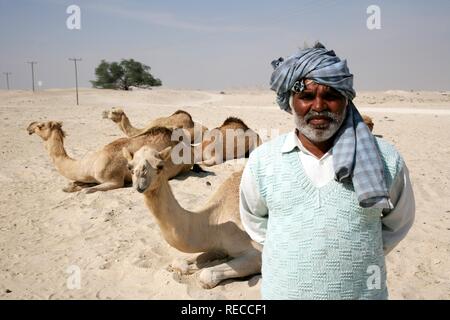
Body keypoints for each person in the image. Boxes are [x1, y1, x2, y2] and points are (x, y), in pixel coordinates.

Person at [239, 43, 415, 300]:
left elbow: (396, 225)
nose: (319, 106)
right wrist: (295, 250)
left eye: (331, 96)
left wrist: (356, 253)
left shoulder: (385, 159)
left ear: (346, 100)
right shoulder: (263, 161)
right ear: (291, 102)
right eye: (307, 97)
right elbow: (255, 222)